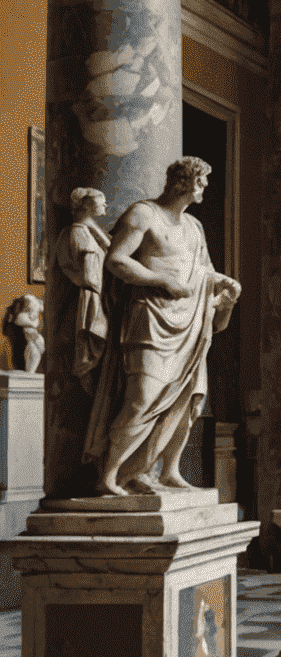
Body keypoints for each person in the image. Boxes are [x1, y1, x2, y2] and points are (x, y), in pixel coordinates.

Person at [84, 157, 241, 497]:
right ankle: (108, 475)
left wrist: (224, 284)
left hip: (190, 322)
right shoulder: (143, 214)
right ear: (183, 183)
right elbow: (116, 260)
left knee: (186, 402)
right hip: (151, 318)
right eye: (200, 183)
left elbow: (204, 270)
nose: (204, 190)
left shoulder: (194, 227)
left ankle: (164, 471)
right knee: (141, 398)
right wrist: (162, 281)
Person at [54, 186, 110, 388]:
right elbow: (90, 275)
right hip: (92, 296)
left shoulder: (87, 230)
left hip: (95, 294)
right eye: (100, 200)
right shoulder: (80, 233)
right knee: (90, 353)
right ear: (87, 205)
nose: (105, 204)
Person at [5, 294, 43, 373]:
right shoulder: (13, 330)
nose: (33, 316)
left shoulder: (32, 331)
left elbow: (41, 346)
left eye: (36, 313)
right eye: (27, 310)